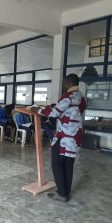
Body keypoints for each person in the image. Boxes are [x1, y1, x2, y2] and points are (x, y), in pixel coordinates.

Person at [31, 74, 86, 202]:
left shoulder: (68, 96)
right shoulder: (81, 97)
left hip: (65, 137)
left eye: (64, 83)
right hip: (76, 136)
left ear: (68, 82)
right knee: (68, 164)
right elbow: (64, 110)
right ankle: (65, 191)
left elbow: (54, 113)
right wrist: (48, 108)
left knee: (57, 163)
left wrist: (37, 110)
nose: (63, 85)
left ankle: (62, 194)